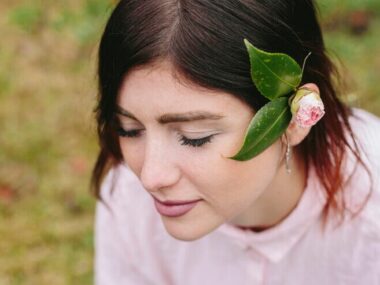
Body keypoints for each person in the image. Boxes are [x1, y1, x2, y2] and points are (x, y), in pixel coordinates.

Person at [91, 0, 380, 284]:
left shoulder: (370, 222)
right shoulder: (129, 202)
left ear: (296, 120)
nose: (151, 177)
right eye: (129, 129)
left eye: (195, 138)